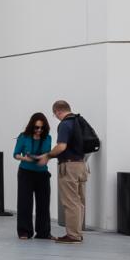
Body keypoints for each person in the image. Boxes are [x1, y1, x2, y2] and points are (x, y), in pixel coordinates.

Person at [51, 98, 93, 242]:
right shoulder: (79, 121)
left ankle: (73, 235)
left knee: (70, 202)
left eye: (55, 114)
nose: (55, 117)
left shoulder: (65, 124)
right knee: (79, 201)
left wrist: (48, 155)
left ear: (57, 111)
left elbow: (61, 147)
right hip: (82, 165)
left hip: (69, 166)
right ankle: (78, 233)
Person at [13, 112, 54, 240]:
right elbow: (15, 154)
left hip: (42, 173)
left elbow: (47, 154)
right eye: (36, 127)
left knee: (43, 203)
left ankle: (43, 232)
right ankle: (24, 231)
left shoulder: (47, 138)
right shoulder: (23, 137)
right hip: (26, 172)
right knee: (25, 202)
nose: (39, 130)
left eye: (42, 128)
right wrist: (25, 158)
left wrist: (43, 158)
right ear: (32, 126)